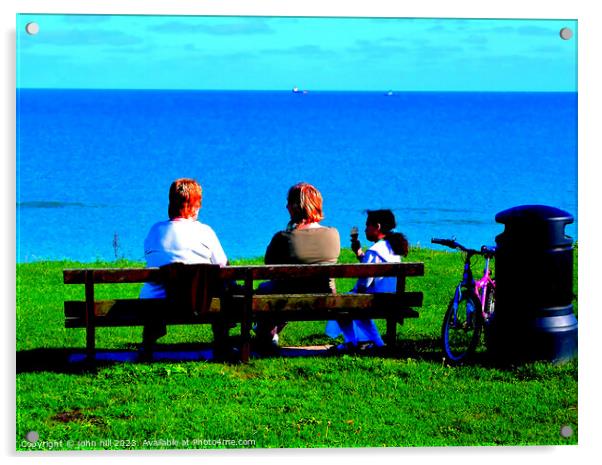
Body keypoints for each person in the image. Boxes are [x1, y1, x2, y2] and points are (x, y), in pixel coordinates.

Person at [139, 178, 230, 355]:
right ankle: (222, 340)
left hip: (156, 302)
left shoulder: (155, 230)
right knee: (224, 287)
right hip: (199, 301)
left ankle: (148, 341)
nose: (201, 207)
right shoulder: (205, 231)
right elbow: (223, 265)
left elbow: (151, 259)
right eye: (199, 203)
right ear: (193, 205)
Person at [254, 182, 341, 350]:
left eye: (288, 202)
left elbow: (268, 266)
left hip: (287, 298)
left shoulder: (283, 237)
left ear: (295, 207)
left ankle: (266, 335)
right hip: (324, 297)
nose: (286, 206)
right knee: (277, 289)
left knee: (265, 289)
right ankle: (267, 334)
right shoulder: (333, 234)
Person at [326, 209, 409, 350]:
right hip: (391, 299)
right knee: (353, 304)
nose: (364, 230)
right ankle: (375, 344)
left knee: (341, 304)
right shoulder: (392, 247)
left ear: (377, 227)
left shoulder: (375, 250)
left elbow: (364, 283)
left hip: (375, 300)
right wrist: (359, 254)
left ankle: (353, 342)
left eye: (367, 226)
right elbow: (373, 266)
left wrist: (355, 291)